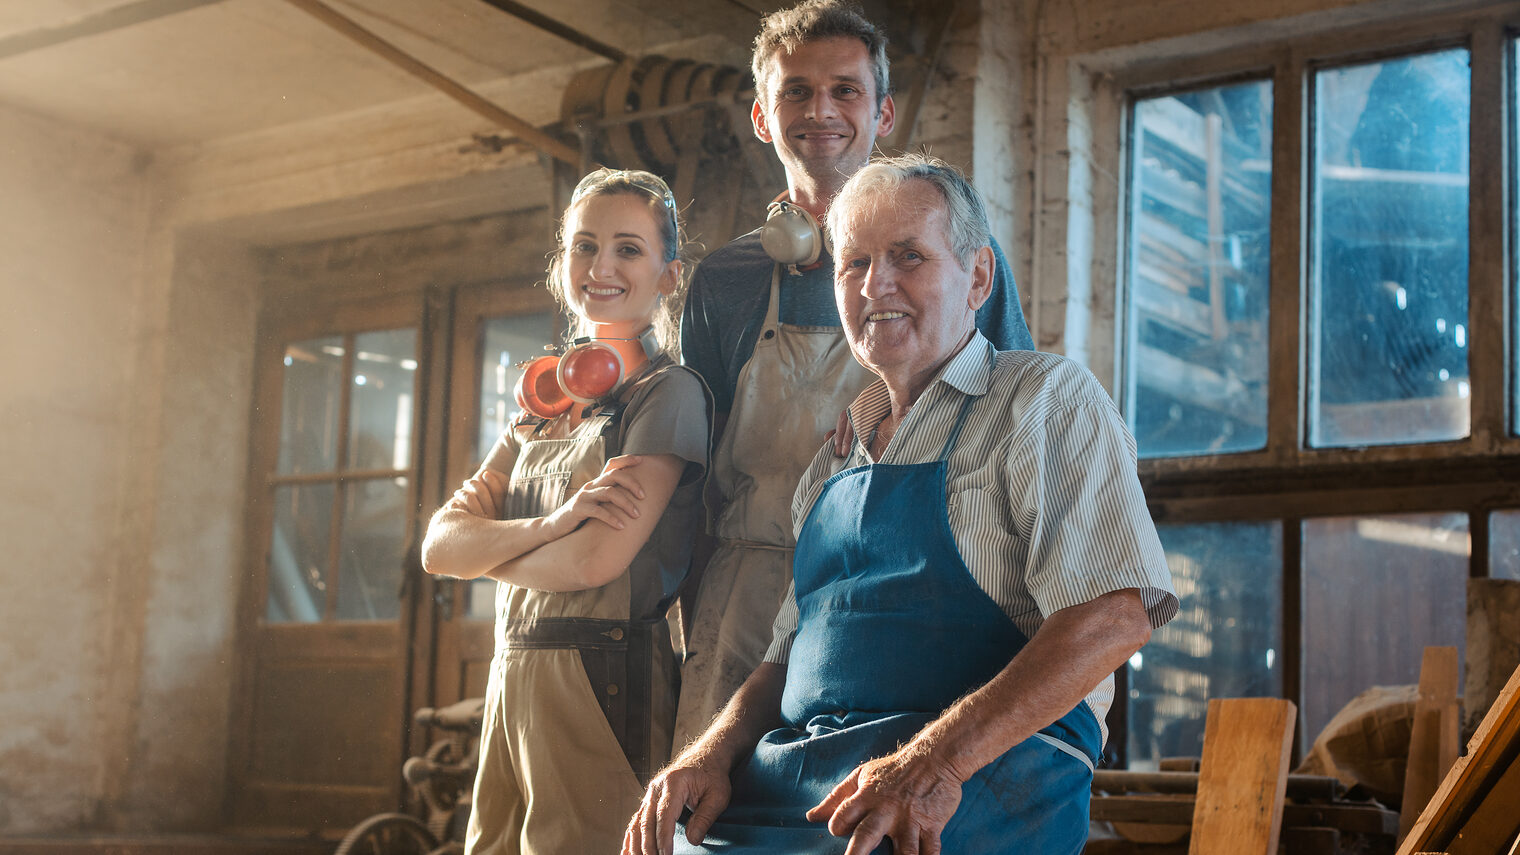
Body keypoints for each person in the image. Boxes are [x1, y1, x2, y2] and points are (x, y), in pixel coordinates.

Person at [625, 155, 1177, 855]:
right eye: (853, 264)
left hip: (971, 784)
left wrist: (935, 763)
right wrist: (708, 752)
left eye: (908, 257)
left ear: (978, 277)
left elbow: (1112, 615)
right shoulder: (831, 462)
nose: (875, 285)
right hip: (808, 786)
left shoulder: (1042, 398)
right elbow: (784, 660)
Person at [674, 0, 1035, 749]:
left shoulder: (956, 258)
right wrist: (690, 625)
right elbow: (695, 480)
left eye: (845, 89)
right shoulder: (726, 280)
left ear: (884, 113)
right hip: (743, 594)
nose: (821, 110)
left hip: (887, 591)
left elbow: (1008, 420)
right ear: (763, 117)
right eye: (796, 91)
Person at [421, 168, 711, 855]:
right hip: (510, 675)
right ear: (561, 265)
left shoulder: (667, 395)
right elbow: (437, 546)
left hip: (602, 684)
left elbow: (596, 559)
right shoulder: (538, 405)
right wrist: (553, 524)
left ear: (668, 275)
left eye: (628, 249)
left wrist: (490, 551)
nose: (601, 266)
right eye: (584, 246)